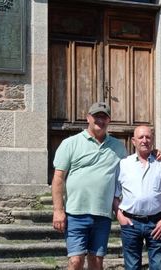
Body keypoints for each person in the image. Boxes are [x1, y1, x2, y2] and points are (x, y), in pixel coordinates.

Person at [51, 101, 127, 270]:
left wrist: (155, 156)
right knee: (75, 261)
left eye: (104, 117)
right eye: (96, 116)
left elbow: (132, 171)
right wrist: (58, 210)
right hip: (75, 213)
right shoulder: (70, 143)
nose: (100, 120)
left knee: (96, 262)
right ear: (88, 118)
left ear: (109, 120)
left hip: (102, 214)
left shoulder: (118, 148)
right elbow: (58, 179)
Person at [113, 126, 161, 270]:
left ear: (153, 140)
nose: (145, 140)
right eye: (141, 137)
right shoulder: (124, 164)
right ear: (134, 141)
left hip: (157, 223)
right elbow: (115, 196)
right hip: (130, 224)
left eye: (148, 137)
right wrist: (120, 217)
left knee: (158, 266)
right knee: (132, 266)